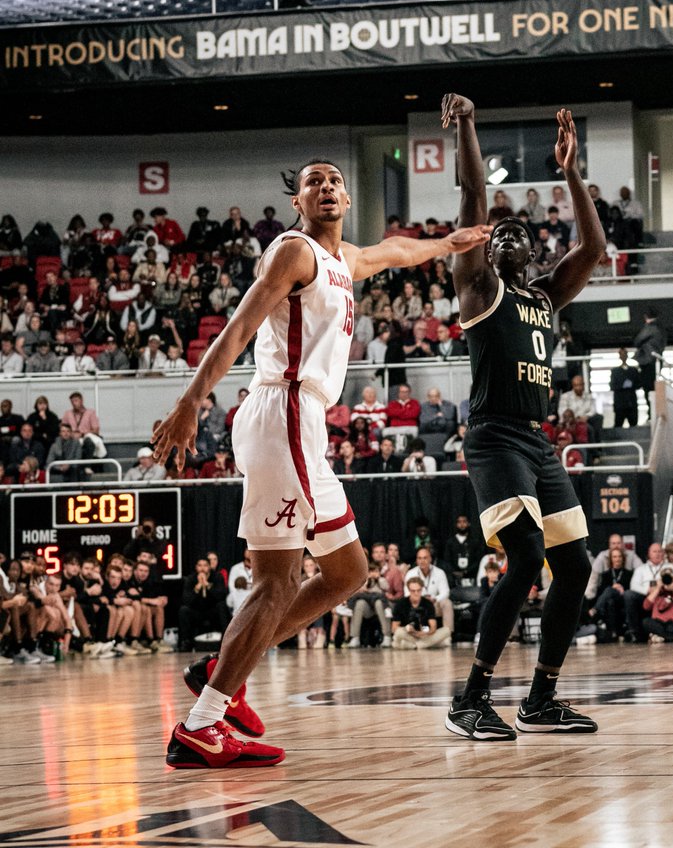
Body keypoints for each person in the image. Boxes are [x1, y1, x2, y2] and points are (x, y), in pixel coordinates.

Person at [150, 155, 491, 769]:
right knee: (276, 580)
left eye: (335, 180)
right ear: (298, 202)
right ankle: (203, 722)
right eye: (315, 182)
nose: (328, 187)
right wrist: (190, 402)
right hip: (281, 407)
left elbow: (393, 252)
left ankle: (217, 670)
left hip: (302, 422)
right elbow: (238, 327)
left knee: (347, 573)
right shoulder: (293, 252)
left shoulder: (344, 260)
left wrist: (448, 242)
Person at [440, 92, 604, 739]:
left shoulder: (545, 295)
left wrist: (570, 171)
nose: (507, 236)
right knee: (527, 557)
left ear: (532, 255)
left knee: (576, 566)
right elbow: (475, 201)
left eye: (519, 235)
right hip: (494, 438)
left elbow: (592, 245)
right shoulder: (480, 289)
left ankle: (541, 698)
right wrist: (473, 125)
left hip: (537, 442)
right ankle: (470, 698)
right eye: (498, 234)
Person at [633, 309, 665, 416]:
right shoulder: (660, 329)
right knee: (651, 389)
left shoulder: (651, 328)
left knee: (649, 389)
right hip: (654, 362)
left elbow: (637, 340)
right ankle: (652, 412)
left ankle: (652, 413)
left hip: (649, 363)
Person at [609, 348, 641, 427]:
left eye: (625, 354)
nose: (623, 356)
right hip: (620, 403)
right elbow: (612, 386)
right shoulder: (615, 371)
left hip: (631, 402)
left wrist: (632, 385)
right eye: (621, 355)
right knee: (618, 425)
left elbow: (639, 384)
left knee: (634, 425)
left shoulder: (633, 370)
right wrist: (622, 385)